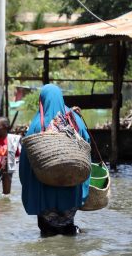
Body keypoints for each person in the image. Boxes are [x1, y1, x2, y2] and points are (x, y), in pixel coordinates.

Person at [19, 84, 91, 236]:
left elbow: (26, 161)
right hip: (70, 194)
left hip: (44, 195)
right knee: (67, 233)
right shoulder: (74, 120)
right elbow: (86, 149)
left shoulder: (37, 124)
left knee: (47, 237)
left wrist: (27, 184)